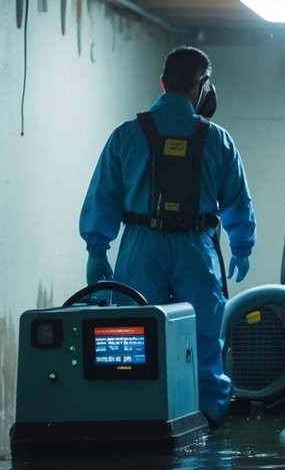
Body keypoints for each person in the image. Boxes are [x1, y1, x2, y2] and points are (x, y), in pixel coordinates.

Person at [79, 46, 255, 426]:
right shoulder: (219, 139)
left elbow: (103, 194)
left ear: (163, 83)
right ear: (203, 87)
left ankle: (139, 417)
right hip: (196, 248)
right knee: (204, 336)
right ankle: (206, 418)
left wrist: (97, 249)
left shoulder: (126, 135)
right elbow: (237, 200)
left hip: (142, 245)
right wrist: (241, 246)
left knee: (136, 336)